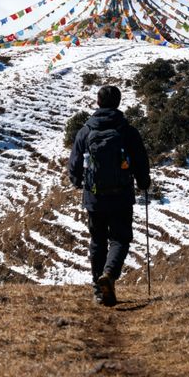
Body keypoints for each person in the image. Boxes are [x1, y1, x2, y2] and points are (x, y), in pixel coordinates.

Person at [68, 84, 151, 307]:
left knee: (97, 241)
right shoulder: (127, 130)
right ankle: (109, 274)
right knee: (121, 238)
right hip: (122, 194)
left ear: (98, 102)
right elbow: (141, 160)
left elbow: (75, 162)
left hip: (94, 197)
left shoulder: (86, 130)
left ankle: (98, 289)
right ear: (118, 103)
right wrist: (143, 182)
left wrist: (76, 181)